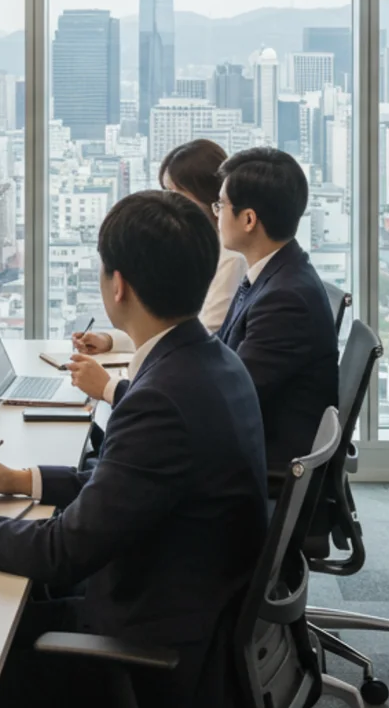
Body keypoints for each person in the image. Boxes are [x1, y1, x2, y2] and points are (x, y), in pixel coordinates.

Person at [0, 191, 268, 708]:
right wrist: (23, 481)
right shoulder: (211, 361)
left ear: (118, 285)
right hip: (182, 604)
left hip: (144, 645)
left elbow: (60, 552)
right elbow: (129, 485)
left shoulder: (161, 397)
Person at [69, 147, 339, 473]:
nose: (214, 213)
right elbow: (213, 356)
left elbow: (224, 400)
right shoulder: (273, 275)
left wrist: (111, 389)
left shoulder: (285, 300)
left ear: (249, 219)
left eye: (220, 205)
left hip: (257, 464)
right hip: (245, 444)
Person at [69, 137, 246, 352]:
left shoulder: (230, 258)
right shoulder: (176, 247)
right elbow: (161, 323)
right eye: (164, 190)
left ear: (207, 193)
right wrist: (110, 340)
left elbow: (198, 334)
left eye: (175, 192)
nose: (167, 200)